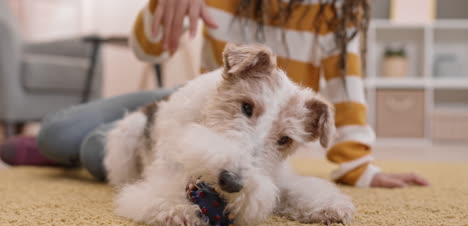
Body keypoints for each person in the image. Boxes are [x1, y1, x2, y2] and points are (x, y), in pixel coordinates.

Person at [32, 0, 428, 188]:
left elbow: (347, 90)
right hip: (198, 99)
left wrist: (358, 166)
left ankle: (85, 147)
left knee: (89, 149)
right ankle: (54, 146)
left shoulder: (336, 12)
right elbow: (146, 50)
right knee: (54, 134)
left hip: (249, 125)